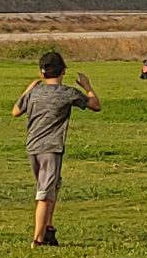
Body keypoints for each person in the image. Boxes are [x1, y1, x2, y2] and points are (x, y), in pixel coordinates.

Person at [11, 51, 101, 247]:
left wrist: (27, 90)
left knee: (51, 187)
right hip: (51, 148)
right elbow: (95, 105)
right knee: (44, 193)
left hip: (33, 147)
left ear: (42, 73)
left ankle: (48, 229)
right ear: (63, 71)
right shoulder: (67, 93)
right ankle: (38, 239)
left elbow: (16, 111)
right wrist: (87, 86)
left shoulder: (35, 92)